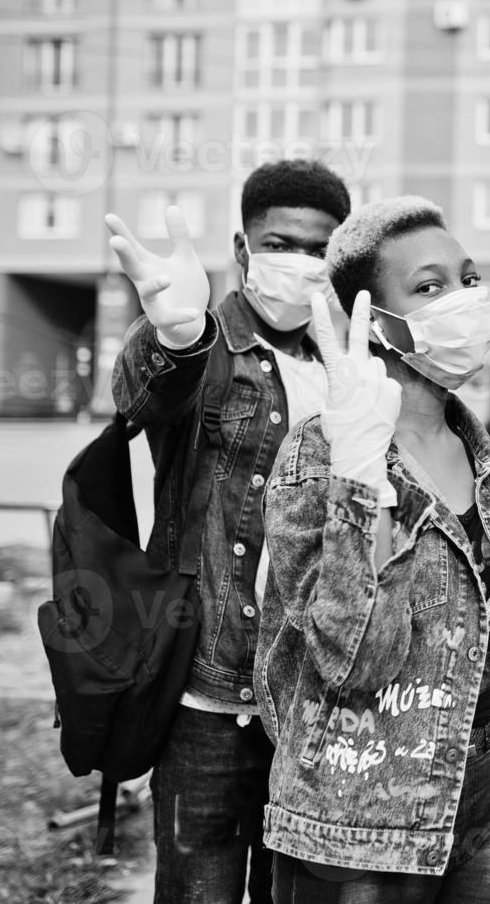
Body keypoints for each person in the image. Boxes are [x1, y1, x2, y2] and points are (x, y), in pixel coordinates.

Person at [254, 195, 490, 903]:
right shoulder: (320, 454)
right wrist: (363, 481)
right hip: (364, 815)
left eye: (468, 278)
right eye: (429, 287)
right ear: (376, 320)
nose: (464, 300)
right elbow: (354, 662)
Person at [108, 158, 351, 903]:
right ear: (243, 252)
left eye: (321, 250)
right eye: (283, 244)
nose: (303, 264)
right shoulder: (207, 342)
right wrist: (172, 335)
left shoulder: (346, 362)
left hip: (314, 699)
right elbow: (139, 397)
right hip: (209, 699)